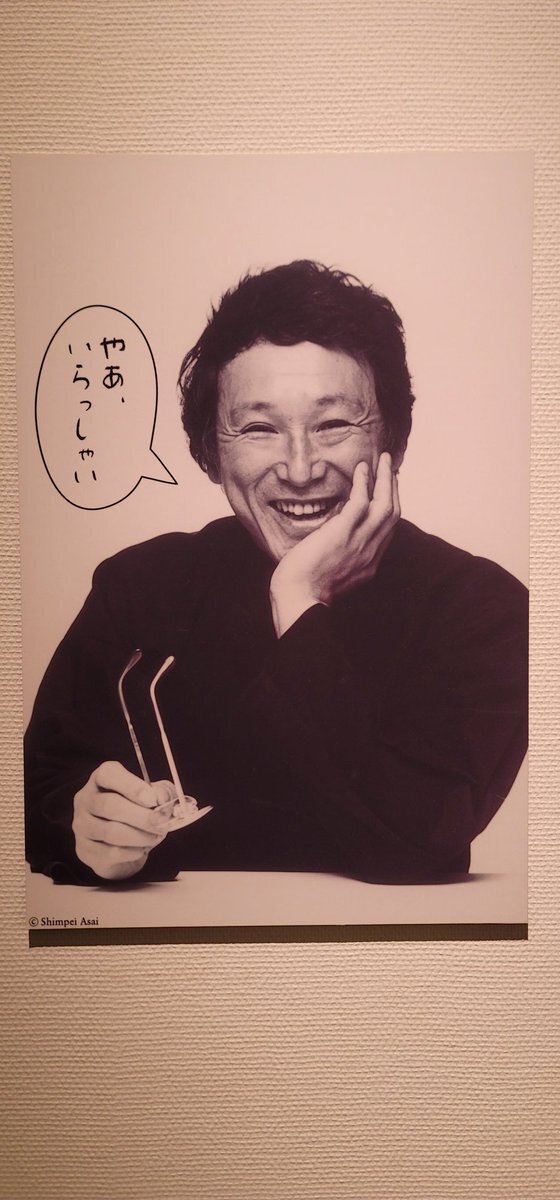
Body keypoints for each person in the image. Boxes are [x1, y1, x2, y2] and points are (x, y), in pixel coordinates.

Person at [24, 260, 528, 886]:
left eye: (333, 425)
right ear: (210, 452)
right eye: (259, 428)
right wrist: (83, 826)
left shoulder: (484, 609)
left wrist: (300, 598)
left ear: (394, 438)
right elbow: (38, 794)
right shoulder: (139, 587)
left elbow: (418, 843)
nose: (299, 468)